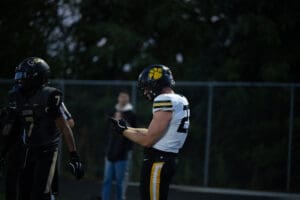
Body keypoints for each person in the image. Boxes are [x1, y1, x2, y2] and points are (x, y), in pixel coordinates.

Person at [0, 57, 84, 200]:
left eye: (23, 76)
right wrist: (3, 153)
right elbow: (14, 128)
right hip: (28, 150)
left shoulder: (49, 96)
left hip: (47, 149)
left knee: (41, 193)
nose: (19, 80)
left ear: (36, 77)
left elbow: (67, 124)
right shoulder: (17, 96)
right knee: (24, 193)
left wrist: (74, 155)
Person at [110, 64, 190, 200]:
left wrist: (122, 131)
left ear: (156, 83)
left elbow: (148, 140)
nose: (146, 92)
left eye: (147, 87)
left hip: (158, 161)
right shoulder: (180, 99)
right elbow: (152, 133)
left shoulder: (164, 99)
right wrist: (128, 128)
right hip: (167, 159)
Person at [101, 91, 137, 200]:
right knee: (107, 180)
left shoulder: (131, 114)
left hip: (123, 153)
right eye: (121, 96)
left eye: (125, 97)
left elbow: (135, 131)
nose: (123, 99)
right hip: (110, 152)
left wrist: (122, 121)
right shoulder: (112, 111)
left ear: (128, 99)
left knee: (119, 182)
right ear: (118, 98)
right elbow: (107, 130)